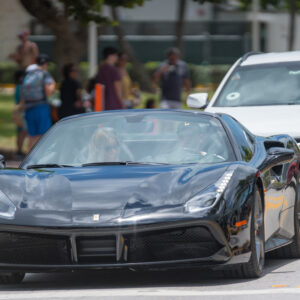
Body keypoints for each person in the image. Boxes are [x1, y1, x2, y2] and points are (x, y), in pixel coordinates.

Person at [21, 54, 55, 151]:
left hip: (28, 108)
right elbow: (48, 91)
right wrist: (53, 84)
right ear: (45, 64)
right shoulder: (44, 74)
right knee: (43, 136)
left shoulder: (28, 74)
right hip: (41, 107)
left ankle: (28, 159)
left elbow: (22, 94)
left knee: (31, 136)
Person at [12, 70, 27, 158]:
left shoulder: (17, 86)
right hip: (22, 111)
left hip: (18, 110)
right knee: (23, 132)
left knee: (20, 131)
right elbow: (22, 101)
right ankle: (20, 151)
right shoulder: (22, 87)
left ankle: (19, 150)